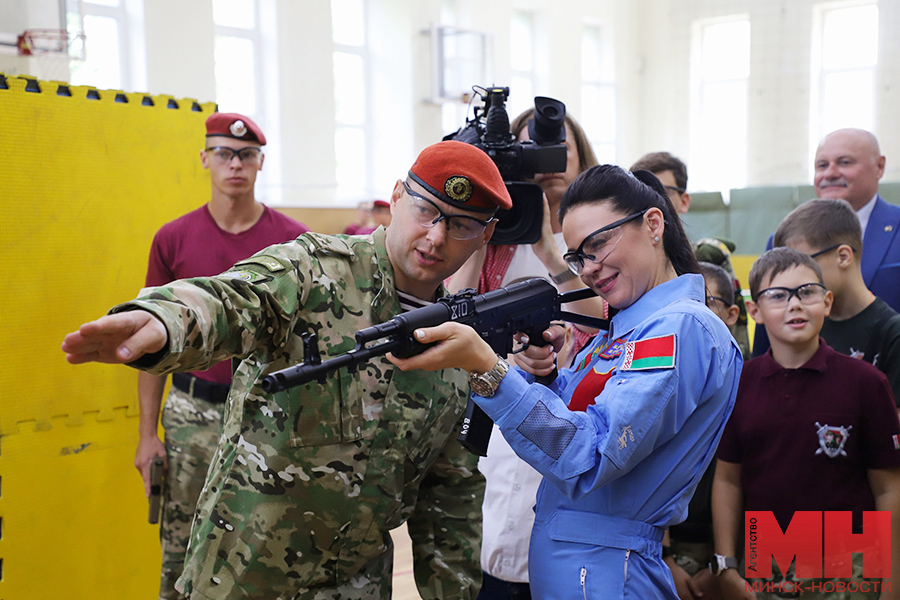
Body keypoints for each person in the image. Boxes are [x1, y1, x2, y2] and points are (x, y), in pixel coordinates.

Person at [62, 140, 513, 600]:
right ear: (397, 197)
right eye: (426, 210)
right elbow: (233, 298)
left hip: (356, 586)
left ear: (485, 235)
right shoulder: (314, 271)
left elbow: (449, 494)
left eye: (460, 225)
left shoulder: (459, 345)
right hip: (242, 578)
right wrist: (165, 319)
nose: (436, 237)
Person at [388, 165, 743, 599]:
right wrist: (545, 374)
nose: (590, 269)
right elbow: (572, 426)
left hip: (606, 573)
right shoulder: (629, 327)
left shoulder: (676, 329)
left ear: (653, 224)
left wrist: (490, 370)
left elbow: (589, 457)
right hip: (584, 568)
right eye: (578, 255)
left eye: (598, 244)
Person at [135, 111, 309, 599]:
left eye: (247, 155)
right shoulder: (173, 238)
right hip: (192, 411)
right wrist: (148, 435)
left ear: (260, 163)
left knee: (262, 540)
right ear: (205, 159)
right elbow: (150, 346)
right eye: (225, 154)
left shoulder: (294, 241)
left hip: (264, 414)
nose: (236, 164)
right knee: (182, 543)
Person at [446, 109, 606, 600]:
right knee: (499, 555)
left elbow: (603, 321)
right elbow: (455, 312)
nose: (547, 164)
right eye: (528, 150)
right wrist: (480, 229)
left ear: (581, 158)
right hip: (496, 418)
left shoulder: (599, 242)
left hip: (577, 419)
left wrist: (553, 251)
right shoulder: (495, 236)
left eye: (557, 147)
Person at [712, 247, 900, 599]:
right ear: (755, 311)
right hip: (765, 564)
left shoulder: (867, 383)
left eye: (807, 292)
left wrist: (892, 582)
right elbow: (727, 479)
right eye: (778, 296)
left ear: (827, 302)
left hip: (850, 568)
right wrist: (726, 565)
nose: (794, 304)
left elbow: (889, 488)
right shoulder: (737, 383)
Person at [754, 128, 900, 355]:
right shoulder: (781, 241)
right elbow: (767, 340)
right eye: (822, 165)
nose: (830, 173)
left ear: (879, 167)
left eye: (844, 162)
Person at [661, 261, 741, 600]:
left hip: (735, 549)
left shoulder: (749, 380)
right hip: (668, 545)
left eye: (705, 300)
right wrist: (665, 558)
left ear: (733, 314)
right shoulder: (662, 380)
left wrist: (726, 565)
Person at [774, 198, 900, 406]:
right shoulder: (801, 324)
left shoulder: (892, 334)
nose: (792, 278)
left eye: (803, 263)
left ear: (843, 257)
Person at [630, 151, 751, 360]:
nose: (647, 200)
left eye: (661, 191)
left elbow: (737, 339)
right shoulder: (622, 265)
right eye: (638, 190)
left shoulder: (710, 257)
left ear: (684, 201)